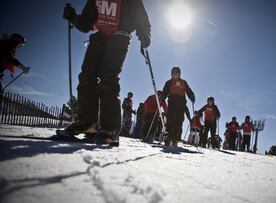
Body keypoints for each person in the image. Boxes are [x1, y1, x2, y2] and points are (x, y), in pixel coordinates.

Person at [62, 0, 151, 145]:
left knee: (108, 77)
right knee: (87, 75)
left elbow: (139, 14)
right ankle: (88, 123)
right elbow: (86, 23)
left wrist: (144, 33)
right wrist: (73, 17)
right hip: (100, 36)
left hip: (120, 35)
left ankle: (110, 129)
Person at [162, 67, 195, 146]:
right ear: (171, 74)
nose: (175, 74)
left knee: (179, 120)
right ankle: (168, 137)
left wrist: (191, 95)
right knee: (170, 119)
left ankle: (175, 139)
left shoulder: (183, 82)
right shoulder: (169, 82)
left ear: (179, 74)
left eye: (176, 72)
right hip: (172, 102)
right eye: (173, 72)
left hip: (181, 103)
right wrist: (163, 96)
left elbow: (188, 91)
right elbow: (165, 91)